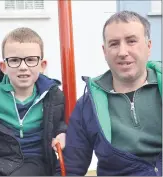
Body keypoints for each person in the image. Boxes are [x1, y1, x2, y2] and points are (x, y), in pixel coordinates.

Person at [55, 10, 162, 176]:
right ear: (104, 51)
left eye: (131, 41)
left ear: (148, 46)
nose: (122, 52)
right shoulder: (88, 105)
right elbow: (71, 169)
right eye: (114, 44)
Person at [0, 27, 67, 176]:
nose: (23, 67)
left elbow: (59, 122)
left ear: (42, 65)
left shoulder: (52, 96)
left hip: (34, 158)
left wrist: (62, 133)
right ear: (3, 67)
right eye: (15, 60)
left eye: (30, 60)